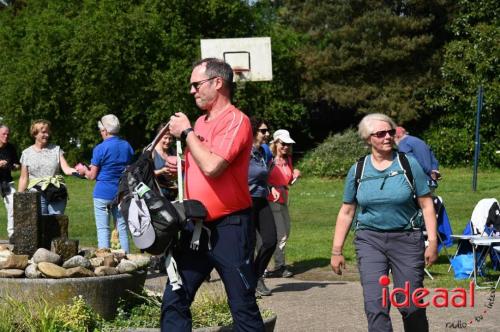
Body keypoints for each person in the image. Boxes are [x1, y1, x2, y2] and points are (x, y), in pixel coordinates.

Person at [164, 58, 265, 331]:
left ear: (217, 83)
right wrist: (181, 166)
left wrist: (186, 133)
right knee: (175, 297)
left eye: (196, 84)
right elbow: (200, 161)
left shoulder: (236, 121)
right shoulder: (200, 121)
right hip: (195, 225)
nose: (192, 91)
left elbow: (213, 166)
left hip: (230, 227)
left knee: (242, 304)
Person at [330, 113, 438, 332]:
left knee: (410, 304)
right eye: (381, 133)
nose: (388, 137)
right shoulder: (358, 170)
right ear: (368, 138)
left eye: (390, 132)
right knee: (375, 304)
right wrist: (336, 250)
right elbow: (347, 211)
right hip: (369, 240)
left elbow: (427, 205)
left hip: (407, 239)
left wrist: (433, 242)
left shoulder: (409, 164)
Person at [75, 114, 134, 253]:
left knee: (103, 229)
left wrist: (83, 170)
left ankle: (104, 260)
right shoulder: (127, 146)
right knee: (122, 228)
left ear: (106, 131)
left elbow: (91, 176)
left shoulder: (99, 148)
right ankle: (126, 259)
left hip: (102, 193)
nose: (101, 134)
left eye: (101, 131)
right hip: (121, 193)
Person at [18, 119, 77, 215]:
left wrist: (79, 171)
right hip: (36, 193)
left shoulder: (56, 150)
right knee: (39, 224)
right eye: (43, 132)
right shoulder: (26, 153)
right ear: (35, 133)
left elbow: (66, 169)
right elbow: (24, 178)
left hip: (56, 191)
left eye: (48, 132)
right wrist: (19, 198)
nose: (47, 135)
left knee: (56, 224)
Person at [248, 117, 279, 296]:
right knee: (248, 244)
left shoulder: (264, 152)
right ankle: (247, 282)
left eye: (267, 131)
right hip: (245, 201)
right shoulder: (243, 152)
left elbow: (263, 175)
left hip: (261, 199)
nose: (267, 134)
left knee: (270, 240)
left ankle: (257, 275)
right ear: (253, 132)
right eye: (263, 131)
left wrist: (270, 187)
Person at [264, 129, 300, 278]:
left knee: (286, 231)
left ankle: (272, 265)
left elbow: (288, 180)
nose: (286, 146)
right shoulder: (269, 159)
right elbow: (261, 177)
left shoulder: (288, 160)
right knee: (281, 234)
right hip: (271, 200)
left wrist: (295, 173)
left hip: (284, 198)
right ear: (276, 143)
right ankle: (278, 266)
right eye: (283, 143)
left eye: (288, 144)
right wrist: (270, 188)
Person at [0, 124, 19, 241]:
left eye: (8, 134)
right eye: (3, 134)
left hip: (6, 181)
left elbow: (16, 164)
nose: (6, 136)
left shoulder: (11, 148)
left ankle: (12, 235)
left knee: (14, 205)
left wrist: (15, 166)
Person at [152, 124, 178, 201]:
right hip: (157, 195)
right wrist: (161, 171)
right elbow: (144, 174)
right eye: (165, 138)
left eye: (170, 138)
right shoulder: (151, 151)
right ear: (159, 137)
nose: (168, 141)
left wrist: (174, 175)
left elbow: (177, 175)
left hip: (172, 193)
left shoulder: (173, 151)